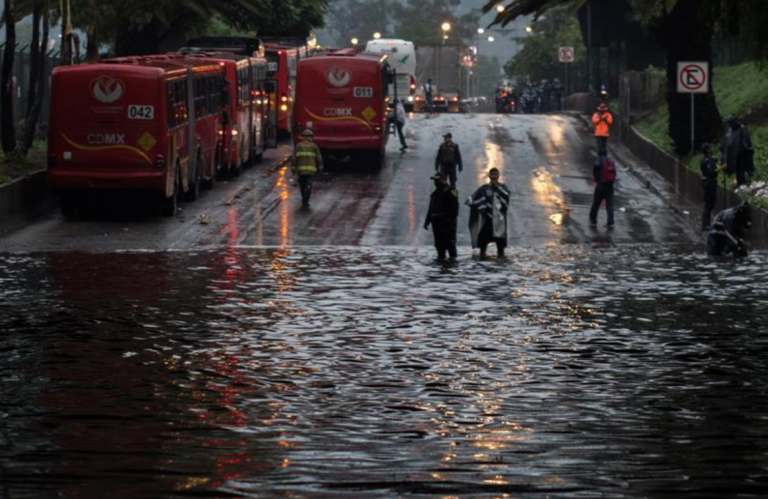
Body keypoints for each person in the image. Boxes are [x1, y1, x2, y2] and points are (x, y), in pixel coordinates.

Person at [466, 167, 510, 258]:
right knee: (483, 238)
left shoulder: (503, 187)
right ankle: (482, 255)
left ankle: (501, 257)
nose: (494, 176)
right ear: (489, 176)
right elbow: (475, 199)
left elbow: (506, 196)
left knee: (500, 241)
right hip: (488, 218)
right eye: (492, 174)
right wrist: (481, 209)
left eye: (495, 174)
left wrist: (497, 188)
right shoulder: (484, 188)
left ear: (498, 176)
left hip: (499, 221)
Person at [424, 171, 459, 260]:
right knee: (439, 246)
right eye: (435, 180)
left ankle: (452, 263)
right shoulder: (434, 194)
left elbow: (455, 207)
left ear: (443, 180)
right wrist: (427, 221)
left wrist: (450, 220)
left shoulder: (451, 190)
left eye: (437, 180)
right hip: (436, 223)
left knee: (450, 244)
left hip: (447, 223)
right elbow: (431, 209)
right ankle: (441, 261)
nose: (435, 182)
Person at [292, 129, 324, 208]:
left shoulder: (298, 146)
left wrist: (293, 168)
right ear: (311, 137)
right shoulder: (314, 146)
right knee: (309, 184)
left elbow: (294, 158)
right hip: (310, 170)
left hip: (301, 170)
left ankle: (303, 199)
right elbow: (319, 158)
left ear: (302, 137)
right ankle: (306, 200)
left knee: (302, 185)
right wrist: (320, 167)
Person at [721, 116, 754, 187]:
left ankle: (743, 183)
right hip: (733, 155)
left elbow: (745, 141)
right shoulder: (730, 130)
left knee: (741, 170)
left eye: (730, 124)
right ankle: (740, 183)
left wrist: (745, 148)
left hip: (741, 154)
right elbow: (726, 141)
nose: (730, 126)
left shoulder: (741, 129)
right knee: (738, 171)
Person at [700, 143, 724, 231]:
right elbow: (711, 172)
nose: (712, 149)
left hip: (711, 182)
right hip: (709, 183)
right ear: (707, 150)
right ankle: (705, 224)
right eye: (710, 148)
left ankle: (707, 223)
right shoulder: (706, 161)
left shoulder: (710, 159)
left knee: (710, 203)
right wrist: (721, 168)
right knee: (708, 204)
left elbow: (715, 163)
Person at [589, 151, 616, 228]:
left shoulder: (598, 160)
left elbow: (595, 171)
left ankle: (593, 219)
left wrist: (596, 178)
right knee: (610, 205)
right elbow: (614, 173)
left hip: (601, 185)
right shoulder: (611, 160)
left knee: (596, 202)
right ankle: (610, 221)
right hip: (610, 186)